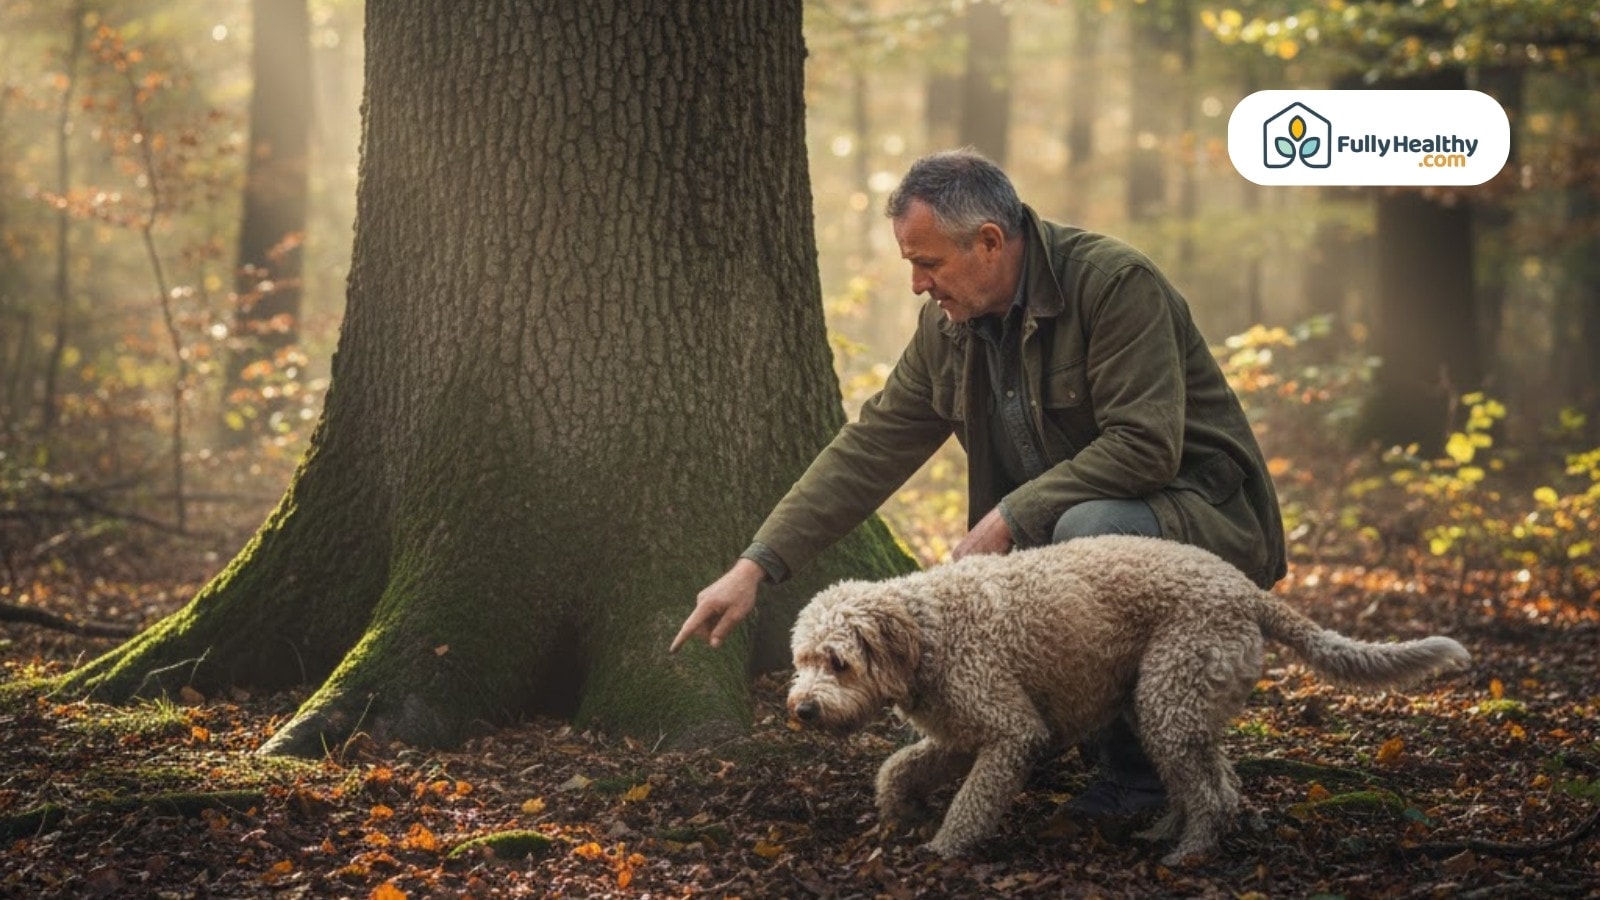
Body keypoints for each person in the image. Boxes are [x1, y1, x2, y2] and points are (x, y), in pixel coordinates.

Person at [671, 148, 1286, 821]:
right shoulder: (949, 326)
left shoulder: (1113, 286)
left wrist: (1008, 518)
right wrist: (757, 565)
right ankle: (1046, 732)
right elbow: (871, 447)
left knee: (1085, 532)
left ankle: (1139, 784)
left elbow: (1145, 445)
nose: (917, 284)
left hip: (1200, 521)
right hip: (1067, 540)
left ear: (989, 242)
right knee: (1037, 565)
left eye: (927, 263)